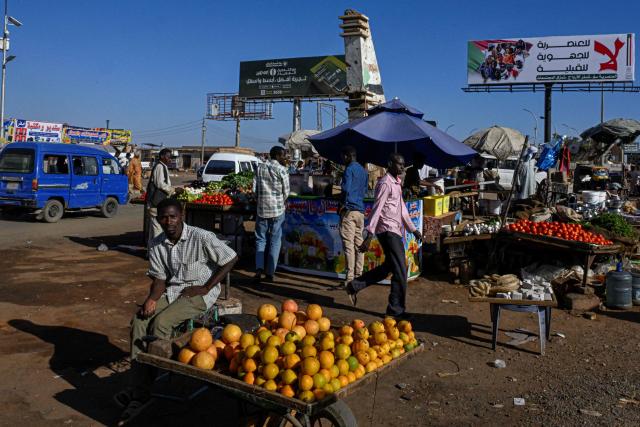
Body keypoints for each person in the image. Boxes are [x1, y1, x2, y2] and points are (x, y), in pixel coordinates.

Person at [118, 198, 238, 424]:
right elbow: (160, 280)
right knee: (140, 321)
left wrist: (207, 286)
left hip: (199, 294)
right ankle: (140, 390)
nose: (169, 221)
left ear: (181, 216)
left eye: (173, 216)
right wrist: (151, 299)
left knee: (161, 323)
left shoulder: (201, 236)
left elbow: (230, 258)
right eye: (164, 217)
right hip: (172, 291)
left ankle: (152, 384)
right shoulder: (156, 243)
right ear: (159, 219)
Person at [346, 153, 422, 318]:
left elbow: (402, 208)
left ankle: (354, 286)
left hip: (395, 229)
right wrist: (369, 234)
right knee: (401, 270)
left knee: (389, 267)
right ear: (390, 164)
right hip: (387, 230)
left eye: (403, 165)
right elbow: (377, 208)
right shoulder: (385, 183)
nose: (402, 167)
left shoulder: (396, 183)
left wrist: (413, 229)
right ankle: (395, 310)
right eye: (399, 164)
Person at [253, 146, 290, 283]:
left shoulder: (260, 167)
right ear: (278, 155)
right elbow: (286, 192)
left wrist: (259, 200)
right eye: (283, 155)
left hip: (262, 209)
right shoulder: (282, 170)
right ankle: (270, 273)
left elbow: (254, 189)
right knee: (275, 240)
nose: (284, 157)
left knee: (260, 239)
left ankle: (258, 269)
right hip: (277, 210)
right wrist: (280, 201)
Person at [338, 146, 368, 285]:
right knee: (359, 245)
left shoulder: (349, 169)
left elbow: (345, 189)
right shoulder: (363, 170)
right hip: (360, 212)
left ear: (348, 156)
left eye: (343, 157)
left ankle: (350, 278)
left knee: (349, 245)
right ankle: (359, 275)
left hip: (349, 211)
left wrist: (341, 204)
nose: (343, 160)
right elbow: (365, 190)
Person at [145, 148, 178, 248]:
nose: (170, 159)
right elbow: (160, 184)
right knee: (157, 229)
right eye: (168, 157)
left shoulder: (162, 166)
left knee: (154, 229)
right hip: (156, 203)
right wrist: (173, 190)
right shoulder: (160, 167)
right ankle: (156, 252)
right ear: (162, 156)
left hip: (157, 202)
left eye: (171, 157)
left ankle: (150, 252)